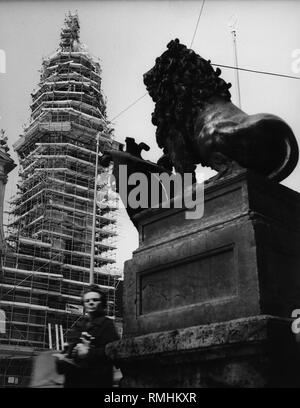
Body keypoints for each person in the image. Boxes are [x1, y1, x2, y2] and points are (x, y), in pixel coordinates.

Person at [55, 284, 120, 388]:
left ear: (102, 303)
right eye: (87, 301)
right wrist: (62, 358)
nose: (91, 302)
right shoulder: (78, 326)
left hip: (95, 382)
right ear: (84, 304)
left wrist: (90, 352)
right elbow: (68, 353)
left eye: (95, 300)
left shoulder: (107, 324)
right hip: (73, 382)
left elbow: (115, 352)